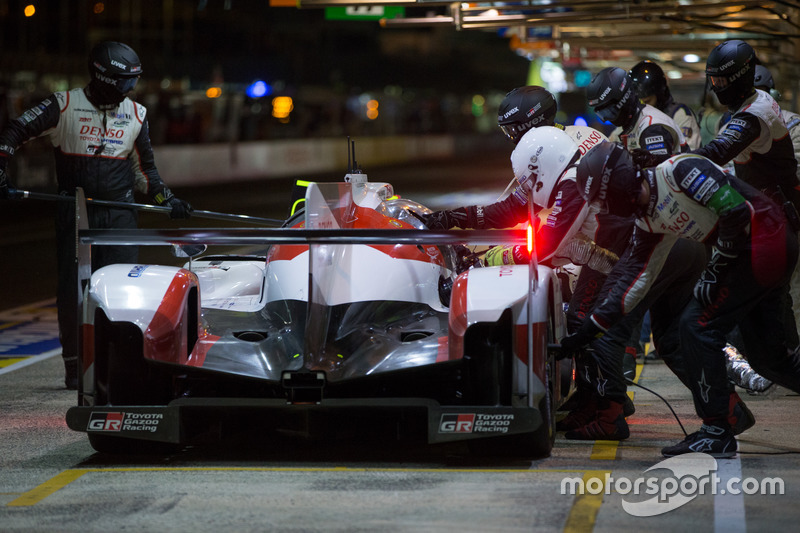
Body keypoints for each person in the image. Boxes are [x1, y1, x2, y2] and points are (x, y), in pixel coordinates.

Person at [569, 142, 800, 457]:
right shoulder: (647, 221)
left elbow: (736, 211)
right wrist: (585, 333)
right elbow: (633, 285)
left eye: (603, 203)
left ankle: (717, 430)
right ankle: (719, 426)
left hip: (765, 240)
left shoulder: (679, 171)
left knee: (695, 327)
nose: (605, 212)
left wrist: (717, 268)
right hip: (764, 246)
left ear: (615, 186)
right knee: (770, 359)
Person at [0, 41, 192, 389]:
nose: (129, 89)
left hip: (121, 215)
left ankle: (122, 364)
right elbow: (13, 131)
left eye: (133, 81)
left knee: (125, 290)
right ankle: (76, 369)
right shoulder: (64, 104)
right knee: (75, 292)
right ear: (102, 76)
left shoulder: (137, 114)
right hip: (76, 214)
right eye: (123, 82)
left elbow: (148, 175)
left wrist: (169, 198)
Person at [586, 66, 687, 161]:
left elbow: (656, 175)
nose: (606, 119)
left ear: (624, 100)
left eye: (610, 112)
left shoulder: (652, 127)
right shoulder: (630, 123)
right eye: (602, 114)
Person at [630, 60, 702, 149]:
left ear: (660, 95)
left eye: (647, 101)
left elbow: (689, 154)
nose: (643, 108)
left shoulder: (679, 114)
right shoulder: (632, 119)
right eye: (639, 103)